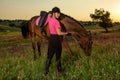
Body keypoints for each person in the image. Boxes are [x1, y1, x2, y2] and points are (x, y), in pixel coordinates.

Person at [44, 7, 69, 75]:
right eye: (57, 13)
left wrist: (50, 15)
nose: (58, 14)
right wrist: (66, 33)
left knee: (49, 55)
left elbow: (48, 17)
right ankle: (59, 71)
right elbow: (59, 33)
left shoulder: (49, 19)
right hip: (56, 40)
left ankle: (46, 72)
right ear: (54, 13)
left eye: (59, 13)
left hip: (51, 39)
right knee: (58, 56)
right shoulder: (57, 22)